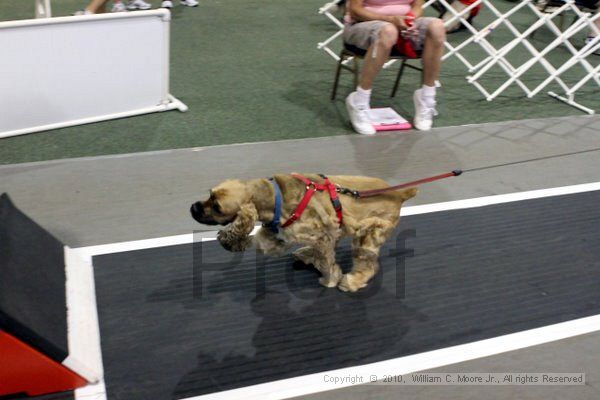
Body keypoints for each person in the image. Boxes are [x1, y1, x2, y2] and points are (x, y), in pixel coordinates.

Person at [343, 0, 446, 134]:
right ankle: (359, 101)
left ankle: (426, 97)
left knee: (437, 26)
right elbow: (355, 10)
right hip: (363, 25)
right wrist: (390, 20)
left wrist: (409, 20)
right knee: (388, 31)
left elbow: (417, 6)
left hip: (402, 25)